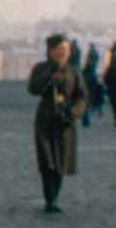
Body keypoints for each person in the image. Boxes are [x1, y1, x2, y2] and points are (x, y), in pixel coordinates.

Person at [28, 33, 85, 213]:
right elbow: (33, 88)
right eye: (59, 50)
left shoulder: (73, 71)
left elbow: (82, 95)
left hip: (65, 120)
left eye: (65, 50)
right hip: (45, 119)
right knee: (47, 162)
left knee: (61, 161)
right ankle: (49, 199)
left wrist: (74, 111)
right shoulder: (41, 68)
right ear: (51, 51)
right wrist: (50, 72)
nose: (62, 53)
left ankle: (54, 197)